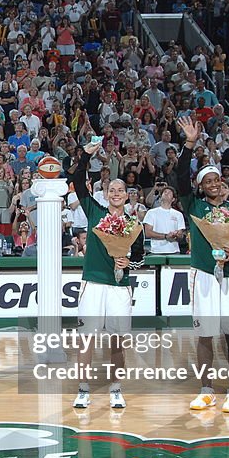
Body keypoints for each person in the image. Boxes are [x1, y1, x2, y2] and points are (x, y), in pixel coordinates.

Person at [176, 116, 229, 414]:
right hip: (204, 276)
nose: (213, 184)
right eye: (207, 181)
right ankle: (206, 389)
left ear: (222, 184)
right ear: (201, 186)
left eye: (216, 180)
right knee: (205, 334)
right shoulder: (194, 207)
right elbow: (181, 176)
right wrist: (189, 144)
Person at [71, 142, 145, 409]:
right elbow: (77, 181)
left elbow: (140, 256)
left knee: (117, 340)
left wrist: (129, 262)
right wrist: (86, 156)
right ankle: (83, 388)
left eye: (120, 190)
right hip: (92, 282)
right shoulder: (94, 212)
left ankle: (115, 388)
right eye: (111, 189)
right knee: (86, 339)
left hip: (119, 286)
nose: (115, 193)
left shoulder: (134, 224)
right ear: (105, 193)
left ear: (127, 196)